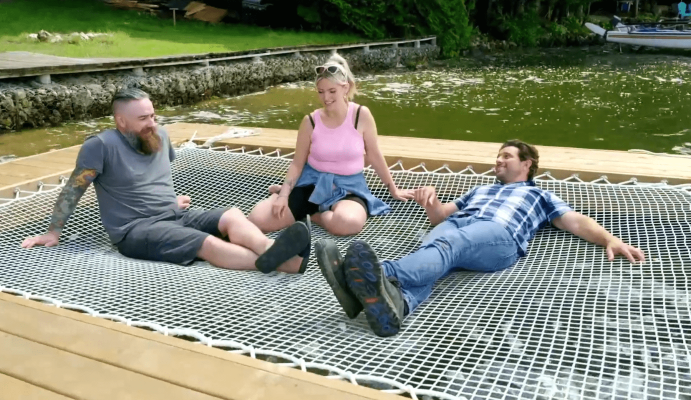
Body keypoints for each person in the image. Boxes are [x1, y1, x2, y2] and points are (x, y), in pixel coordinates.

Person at [315, 140, 646, 337]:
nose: (498, 160)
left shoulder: (539, 195)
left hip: (499, 237)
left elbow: (575, 221)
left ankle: (369, 274)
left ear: (527, 164)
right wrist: (429, 202)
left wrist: (609, 240)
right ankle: (396, 308)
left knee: (446, 246)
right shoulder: (480, 188)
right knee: (436, 251)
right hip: (459, 225)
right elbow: (443, 215)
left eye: (506, 157)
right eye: (498, 156)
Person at [21, 88, 310, 274]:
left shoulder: (159, 136)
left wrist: (169, 201)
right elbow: (74, 190)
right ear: (121, 122)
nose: (152, 123)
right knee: (205, 243)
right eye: (143, 118)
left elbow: (153, 178)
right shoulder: (101, 146)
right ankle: (289, 263)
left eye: (153, 115)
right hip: (136, 231)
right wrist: (53, 232)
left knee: (232, 215)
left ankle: (271, 251)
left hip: (174, 215)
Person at [248, 54, 413, 236]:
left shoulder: (361, 115)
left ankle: (315, 215)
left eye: (332, 91)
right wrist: (283, 196)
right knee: (258, 219)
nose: (326, 97)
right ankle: (293, 197)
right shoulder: (310, 121)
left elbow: (374, 155)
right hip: (311, 184)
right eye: (321, 91)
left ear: (345, 88)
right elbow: (297, 163)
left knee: (348, 224)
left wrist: (393, 188)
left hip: (349, 188)